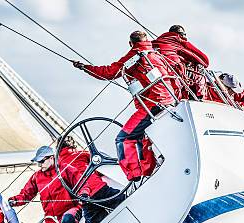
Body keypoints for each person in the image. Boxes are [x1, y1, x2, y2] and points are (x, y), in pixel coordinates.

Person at [71, 31, 175, 181]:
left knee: (123, 139)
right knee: (143, 136)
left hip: (152, 104)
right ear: (147, 40)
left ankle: (136, 175)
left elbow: (108, 73)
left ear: (130, 43)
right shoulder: (156, 54)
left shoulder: (135, 55)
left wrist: (84, 67)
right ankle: (149, 169)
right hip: (169, 100)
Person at [58, 139, 125, 223]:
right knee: (126, 201)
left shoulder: (60, 167)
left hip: (86, 198)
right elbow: (98, 160)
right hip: (100, 189)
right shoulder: (79, 154)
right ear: (70, 146)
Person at [153, 25, 211, 100]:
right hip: (175, 73)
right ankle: (199, 96)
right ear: (180, 34)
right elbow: (205, 60)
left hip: (159, 77)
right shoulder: (178, 41)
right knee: (199, 68)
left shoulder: (155, 43)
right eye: (184, 34)